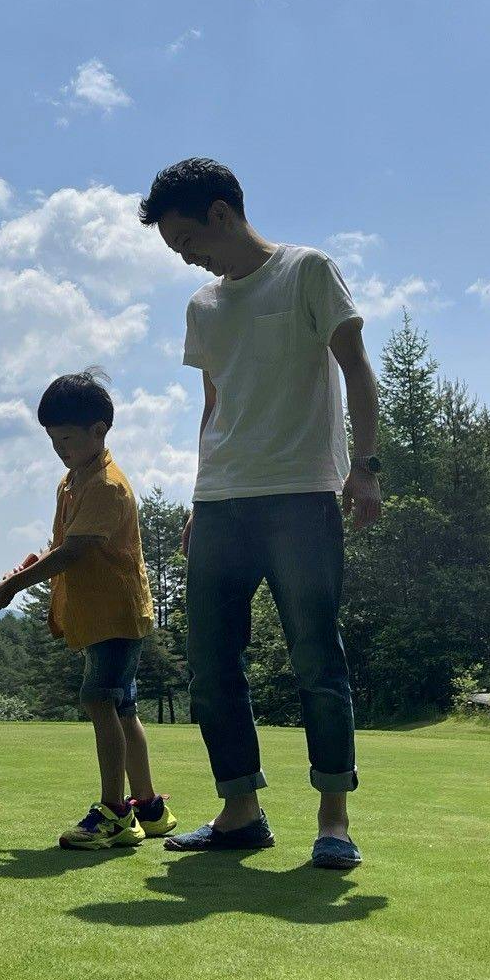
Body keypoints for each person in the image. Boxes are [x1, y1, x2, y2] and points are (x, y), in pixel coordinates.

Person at [139, 158, 381, 870]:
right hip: (220, 504)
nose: (186, 257)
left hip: (303, 497)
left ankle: (333, 819)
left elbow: (356, 368)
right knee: (212, 666)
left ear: (221, 213)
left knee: (317, 658)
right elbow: (215, 406)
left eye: (187, 239)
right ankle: (240, 810)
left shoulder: (307, 271)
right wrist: (196, 499)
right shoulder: (202, 306)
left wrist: (364, 468)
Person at [0, 371, 176, 850]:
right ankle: (148, 807)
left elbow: (74, 552)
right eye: (52, 440)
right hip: (96, 615)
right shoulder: (73, 481)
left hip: (116, 615)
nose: (60, 448)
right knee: (122, 707)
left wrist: (13, 587)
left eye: (67, 438)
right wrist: (25, 571)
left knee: (100, 700)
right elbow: (61, 542)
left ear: (99, 431)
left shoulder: (107, 486)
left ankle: (114, 813)